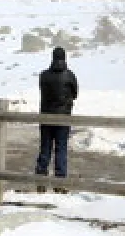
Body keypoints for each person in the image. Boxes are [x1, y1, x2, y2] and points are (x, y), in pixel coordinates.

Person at [35, 46, 77, 193]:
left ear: (52, 58)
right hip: (63, 118)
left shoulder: (43, 75)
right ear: (64, 58)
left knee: (45, 148)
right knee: (61, 149)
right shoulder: (70, 75)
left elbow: (42, 90)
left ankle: (41, 180)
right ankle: (59, 182)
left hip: (46, 117)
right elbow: (75, 93)